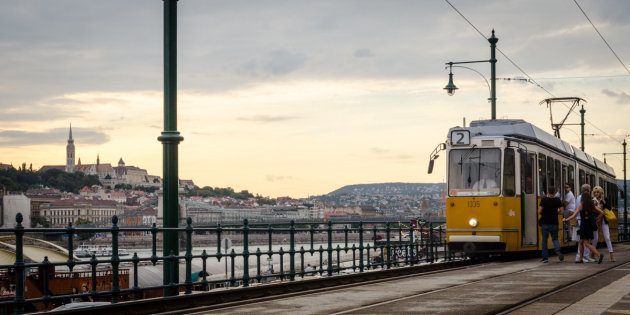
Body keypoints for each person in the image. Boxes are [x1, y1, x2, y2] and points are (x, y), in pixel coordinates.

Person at [563, 191, 604, 264]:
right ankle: (580, 259)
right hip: (589, 226)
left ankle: (599, 255)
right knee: (581, 242)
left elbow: (574, 216)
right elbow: (602, 213)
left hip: (584, 226)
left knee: (586, 243)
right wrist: (596, 219)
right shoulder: (592, 205)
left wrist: (566, 219)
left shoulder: (581, 206)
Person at [538, 187, 564, 263]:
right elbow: (562, 212)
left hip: (545, 223)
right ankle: (557, 250)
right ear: (554, 192)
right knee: (555, 239)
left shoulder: (544, 200)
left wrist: (544, 212)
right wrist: (557, 213)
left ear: (548, 192)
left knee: (544, 241)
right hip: (554, 223)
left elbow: (539, 211)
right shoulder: (557, 200)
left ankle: (545, 258)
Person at [592, 186, 615, 262]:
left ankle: (611, 254)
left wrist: (603, 200)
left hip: (604, 221)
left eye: (598, 192)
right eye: (595, 192)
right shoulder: (593, 200)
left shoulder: (605, 199)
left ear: (601, 193)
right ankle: (593, 254)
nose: (596, 194)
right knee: (595, 238)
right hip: (596, 221)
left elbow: (609, 208)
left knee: (607, 237)